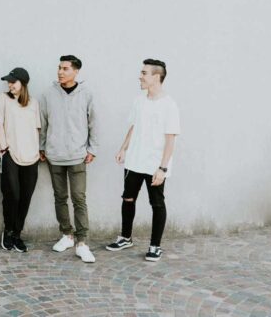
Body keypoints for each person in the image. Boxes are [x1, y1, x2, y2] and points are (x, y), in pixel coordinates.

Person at [106, 59, 180, 262]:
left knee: (156, 203)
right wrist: (123, 148)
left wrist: (163, 168)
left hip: (155, 164)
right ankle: (126, 237)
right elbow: (133, 126)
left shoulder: (169, 105)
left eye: (144, 73)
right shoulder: (139, 100)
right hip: (134, 161)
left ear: (156, 77)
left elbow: (170, 139)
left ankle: (155, 246)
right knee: (127, 198)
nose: (140, 76)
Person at [39, 55, 98, 263]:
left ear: (76, 71)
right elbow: (43, 122)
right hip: (54, 155)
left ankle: (82, 242)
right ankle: (67, 235)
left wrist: (93, 148)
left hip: (77, 155)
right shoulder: (48, 94)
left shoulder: (86, 94)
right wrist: (42, 146)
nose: (60, 72)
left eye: (65, 68)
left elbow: (93, 123)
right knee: (60, 197)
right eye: (59, 68)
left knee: (79, 198)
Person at [0, 67, 42, 253]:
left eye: (13, 81)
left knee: (26, 197)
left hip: (32, 157)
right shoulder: (2, 99)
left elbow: (37, 129)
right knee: (12, 195)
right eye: (8, 82)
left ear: (23, 83)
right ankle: (8, 230)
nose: (10, 84)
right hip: (10, 154)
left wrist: (38, 150)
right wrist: (3, 149)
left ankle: (18, 234)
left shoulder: (33, 103)